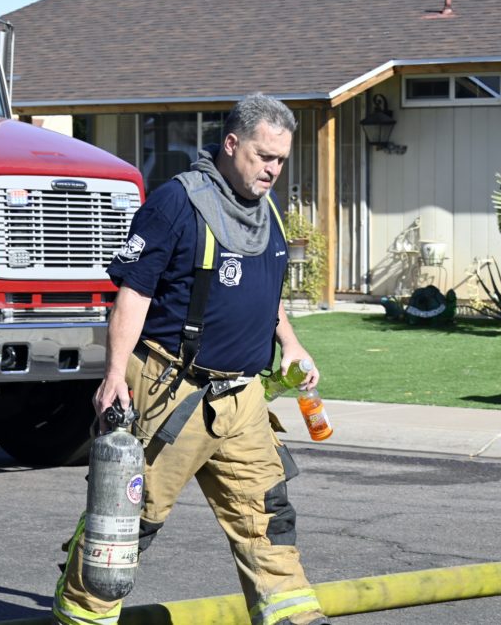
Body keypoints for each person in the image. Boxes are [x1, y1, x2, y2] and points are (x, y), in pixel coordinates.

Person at [53, 93, 329, 625]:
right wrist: (114, 375)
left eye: (280, 159)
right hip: (172, 393)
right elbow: (133, 293)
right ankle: (82, 617)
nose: (273, 169)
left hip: (243, 399)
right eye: (263, 156)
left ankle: (293, 616)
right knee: (126, 521)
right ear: (231, 143)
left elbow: (265, 293)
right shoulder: (176, 203)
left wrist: (291, 343)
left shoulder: (266, 210)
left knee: (267, 516)